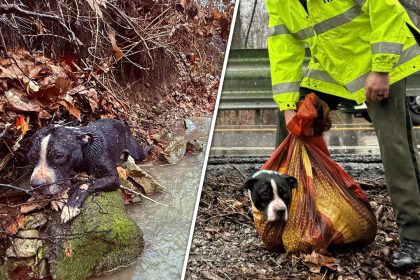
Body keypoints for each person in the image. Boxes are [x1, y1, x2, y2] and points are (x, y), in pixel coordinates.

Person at [266, 0, 420, 270]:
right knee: (293, 123)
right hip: (334, 65)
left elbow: (386, 8)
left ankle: (414, 237)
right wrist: (288, 105)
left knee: (394, 145)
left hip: (381, 55)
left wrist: (382, 69)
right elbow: (283, 45)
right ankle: (287, 217)